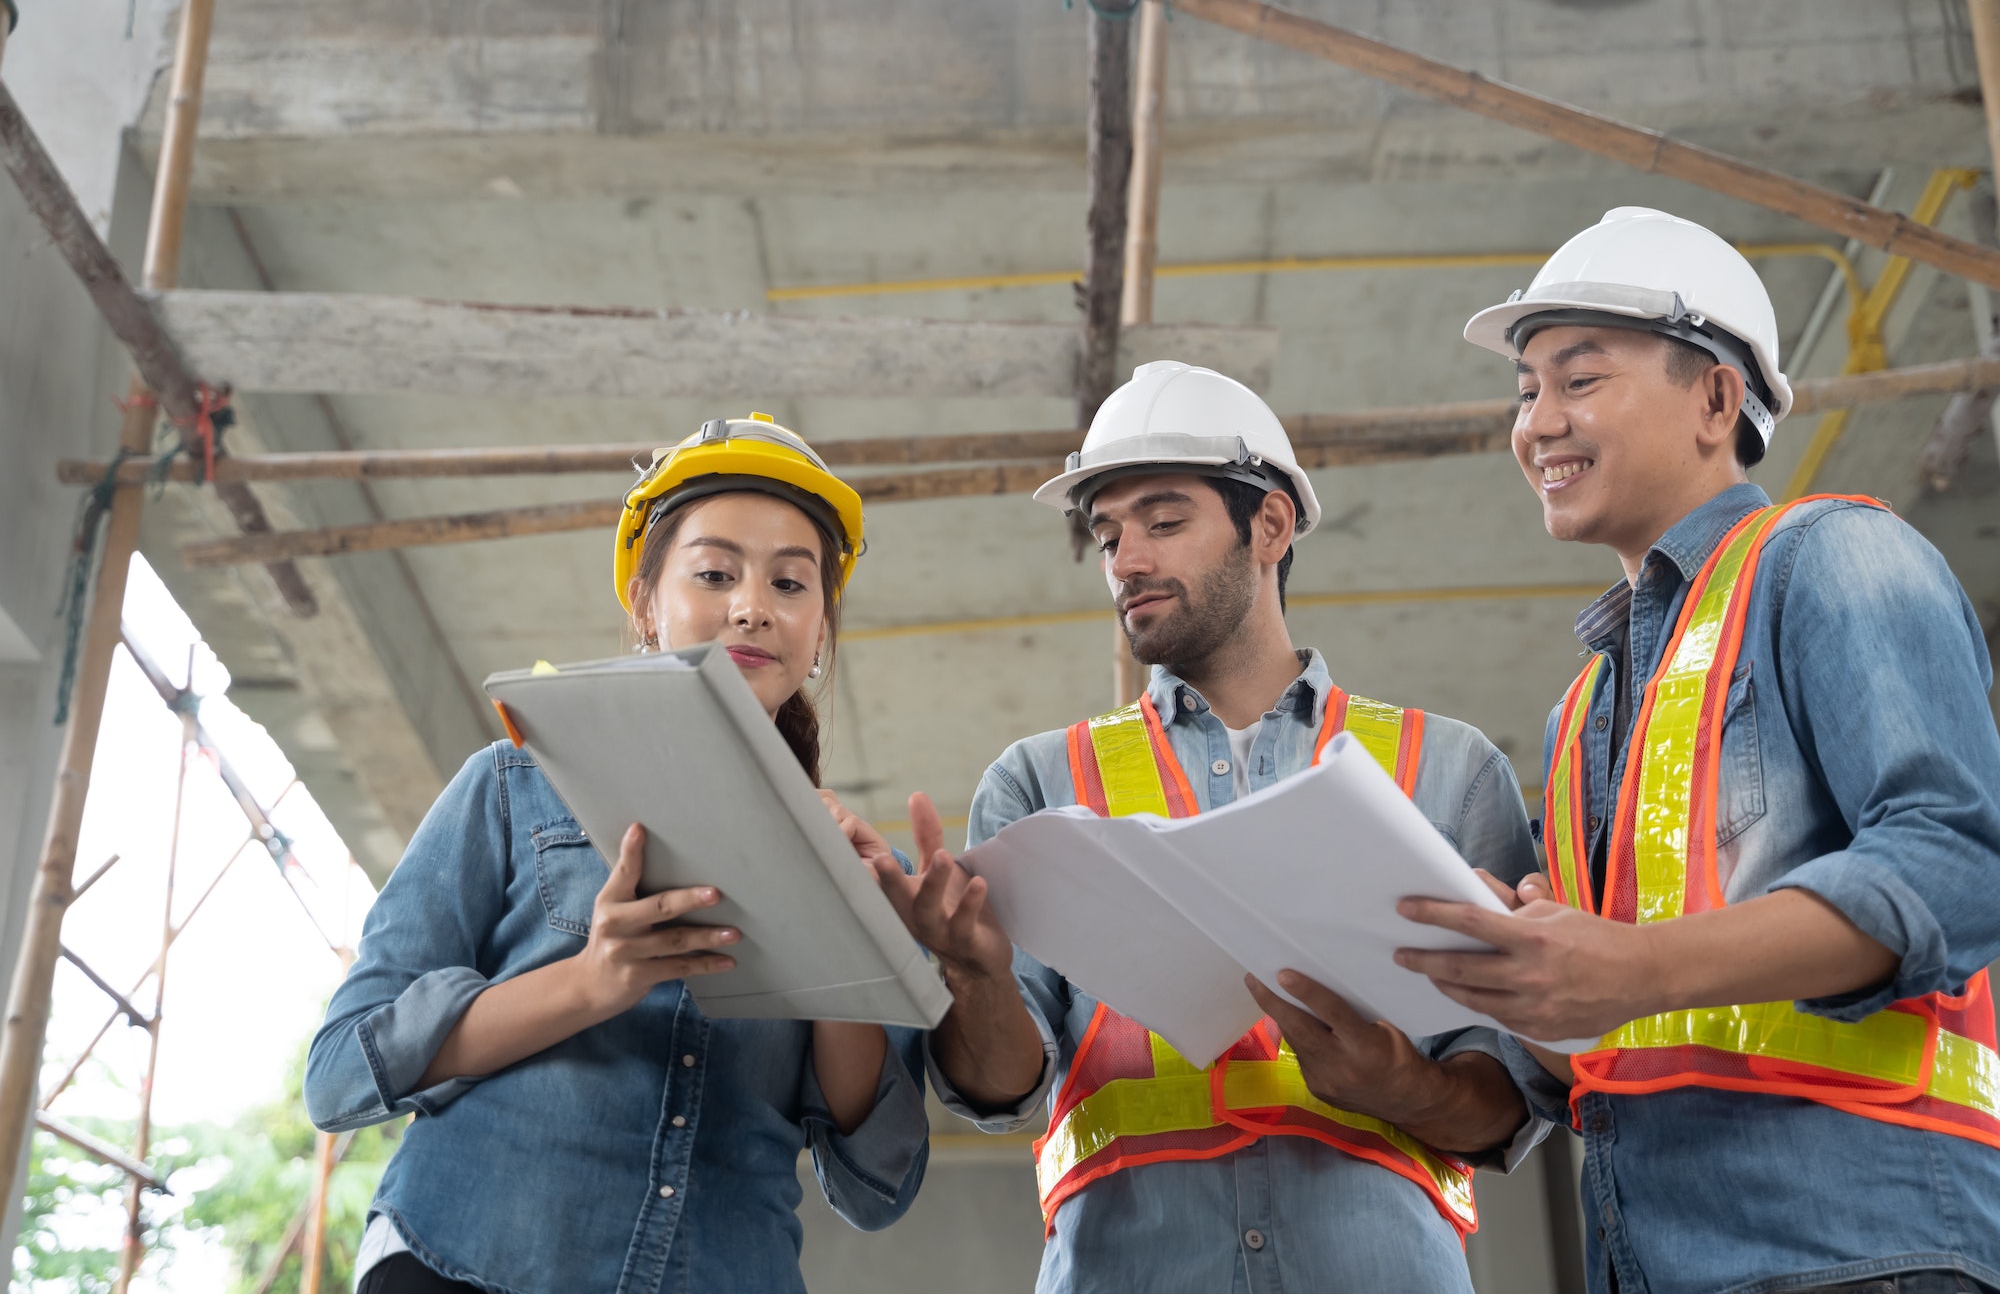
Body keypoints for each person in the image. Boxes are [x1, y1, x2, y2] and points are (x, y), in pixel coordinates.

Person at [1394, 206, 2000, 1293]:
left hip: (1857, 1250)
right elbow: (1613, 1041)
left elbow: (1955, 863)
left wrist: (1625, 966)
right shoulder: (1582, 708)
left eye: (1577, 380)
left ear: (1716, 397)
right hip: (1654, 1259)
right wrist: (1515, 977)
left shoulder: (1833, 558)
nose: (1535, 423)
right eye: (1525, 390)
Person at [848, 361, 1543, 1291]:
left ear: (1271, 524)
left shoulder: (1450, 772)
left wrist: (1400, 1087)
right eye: (1108, 533)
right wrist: (973, 976)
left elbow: (1514, 1102)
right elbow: (999, 1088)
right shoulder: (1040, 783)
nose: (1126, 559)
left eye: (1164, 521)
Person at [304, 414, 930, 1294]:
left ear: (820, 628)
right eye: (715, 573)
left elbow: (878, 1182)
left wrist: (841, 933)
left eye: (792, 582)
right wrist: (592, 981)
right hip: (469, 1262)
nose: (753, 604)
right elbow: (339, 1076)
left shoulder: (862, 868)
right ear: (644, 600)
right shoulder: (514, 786)